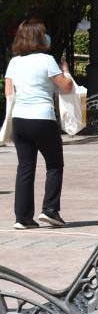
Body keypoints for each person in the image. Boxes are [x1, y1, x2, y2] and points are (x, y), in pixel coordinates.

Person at [4, 20, 74, 229]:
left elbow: (9, 93)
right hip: (42, 117)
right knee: (54, 164)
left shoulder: (14, 63)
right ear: (39, 38)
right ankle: (50, 210)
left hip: (20, 119)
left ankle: (22, 217)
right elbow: (66, 86)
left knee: (25, 167)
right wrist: (66, 71)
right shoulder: (46, 60)